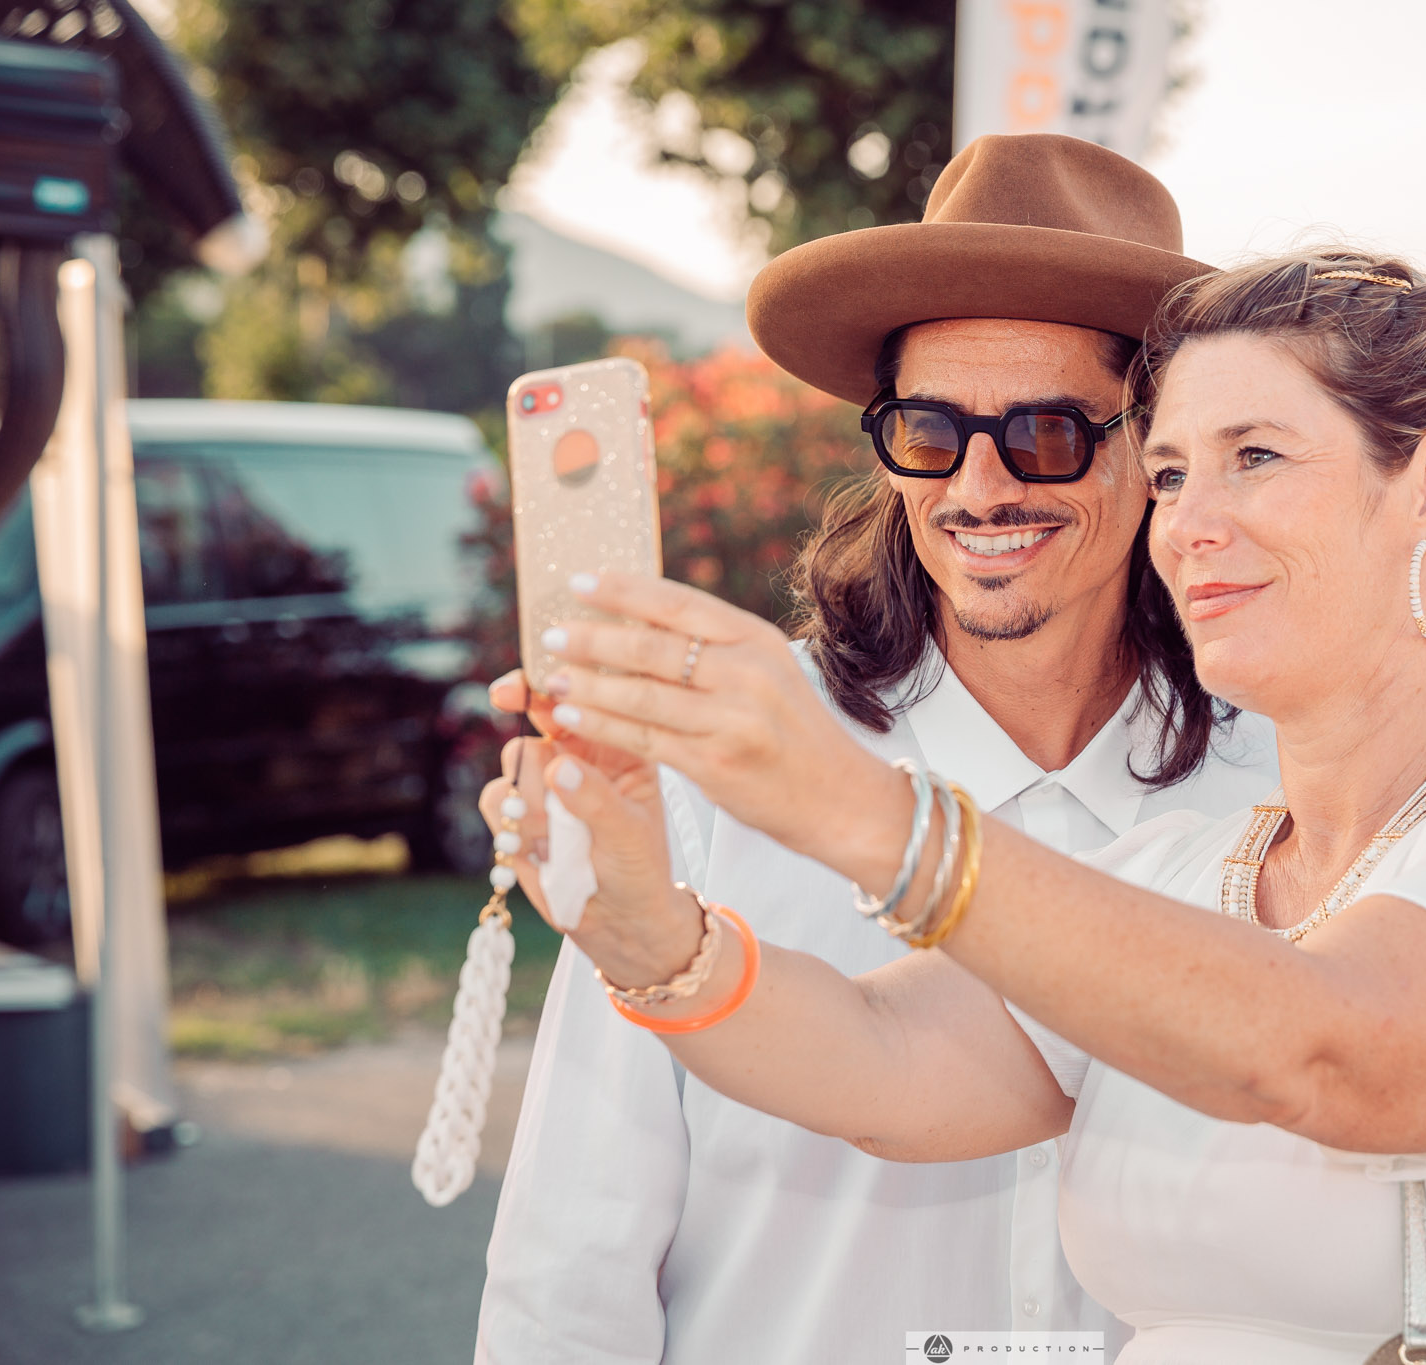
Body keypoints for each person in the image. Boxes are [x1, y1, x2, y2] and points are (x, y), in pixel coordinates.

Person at [494, 250, 1426, 1364]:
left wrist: (846, 802)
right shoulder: (1178, 872)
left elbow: (1323, 1051)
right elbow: (885, 1063)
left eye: (1254, 457)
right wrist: (648, 931)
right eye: (1173, 469)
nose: (1188, 522)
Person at [474, 134, 1279, 1363]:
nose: (977, 483)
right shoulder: (707, 762)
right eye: (926, 428)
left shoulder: (1279, 790)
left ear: (1156, 449)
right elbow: (571, 1248)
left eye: (1048, 433)